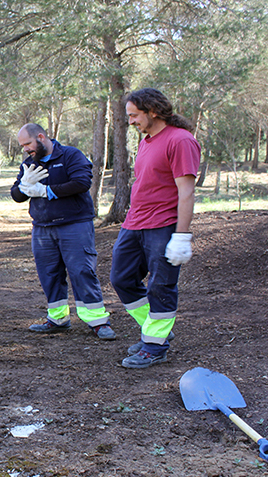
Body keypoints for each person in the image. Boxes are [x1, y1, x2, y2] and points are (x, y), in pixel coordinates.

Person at [113, 88, 201, 368]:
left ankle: (155, 346)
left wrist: (182, 236)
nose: (131, 122)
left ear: (153, 111)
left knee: (161, 286)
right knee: (121, 279)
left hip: (163, 225)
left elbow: (186, 192)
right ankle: (157, 328)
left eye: (134, 115)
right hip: (135, 223)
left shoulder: (181, 141)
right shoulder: (147, 140)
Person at [11, 124, 116, 340]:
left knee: (82, 271)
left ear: (41, 137)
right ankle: (58, 319)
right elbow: (17, 195)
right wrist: (23, 185)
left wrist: (46, 191)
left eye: (27, 144)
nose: (25, 150)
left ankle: (97, 321)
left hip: (74, 224)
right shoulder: (29, 163)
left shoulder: (70, 155)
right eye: (22, 146)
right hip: (42, 228)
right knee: (49, 274)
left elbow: (82, 182)